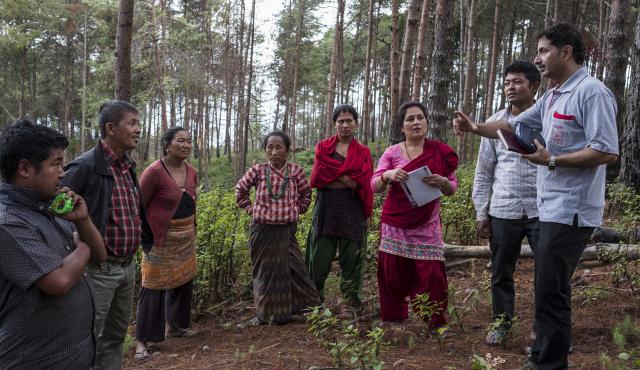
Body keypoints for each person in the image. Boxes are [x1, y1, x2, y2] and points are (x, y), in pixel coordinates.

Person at [453, 23, 619, 370]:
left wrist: (553, 160)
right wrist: (474, 128)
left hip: (572, 210)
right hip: (550, 207)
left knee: (551, 290)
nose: (537, 58)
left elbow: (606, 151)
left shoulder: (592, 92)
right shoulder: (554, 96)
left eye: (543, 50)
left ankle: (550, 363)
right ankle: (541, 355)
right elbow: (511, 127)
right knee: (547, 289)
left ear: (566, 51)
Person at [0, 120, 106, 369]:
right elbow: (58, 282)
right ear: (25, 168)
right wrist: (83, 246)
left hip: (72, 355)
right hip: (34, 360)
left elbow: (100, 255)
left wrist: (83, 221)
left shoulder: (48, 208)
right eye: (56, 164)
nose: (63, 172)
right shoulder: (7, 221)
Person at [62, 100, 153, 370]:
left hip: (126, 267)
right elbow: (56, 213)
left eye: (139, 123)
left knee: (114, 337)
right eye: (132, 123)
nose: (139, 129)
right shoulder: (84, 167)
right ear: (111, 128)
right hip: (97, 270)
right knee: (87, 336)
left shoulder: (127, 167)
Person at [372, 101, 458, 330]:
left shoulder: (439, 151)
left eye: (420, 117)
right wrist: (388, 174)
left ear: (427, 122)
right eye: (410, 119)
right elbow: (374, 185)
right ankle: (394, 316)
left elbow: (452, 188)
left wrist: (442, 182)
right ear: (402, 127)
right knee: (393, 273)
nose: (416, 122)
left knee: (431, 276)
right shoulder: (392, 152)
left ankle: (435, 321)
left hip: (427, 224)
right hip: (395, 222)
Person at [472, 61, 541, 346]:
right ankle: (501, 324)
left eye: (518, 82)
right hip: (503, 208)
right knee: (501, 271)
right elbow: (484, 170)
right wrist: (481, 211)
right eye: (507, 82)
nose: (511, 87)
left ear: (534, 86)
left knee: (548, 273)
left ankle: (546, 331)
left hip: (543, 209)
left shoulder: (547, 118)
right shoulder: (493, 124)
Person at [235, 131, 321, 325]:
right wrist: (251, 210)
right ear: (265, 150)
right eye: (270, 147)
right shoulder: (257, 170)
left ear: (287, 150)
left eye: (278, 147)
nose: (274, 152)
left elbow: (306, 195)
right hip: (262, 231)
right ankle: (268, 315)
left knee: (295, 268)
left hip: (286, 230)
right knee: (265, 272)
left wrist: (296, 210)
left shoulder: (295, 171)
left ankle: (301, 309)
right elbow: (240, 190)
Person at [134, 127, 198, 359]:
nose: (186, 145)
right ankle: (142, 339)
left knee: (184, 279)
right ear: (167, 145)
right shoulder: (154, 172)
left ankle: (176, 327)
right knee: (152, 286)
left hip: (186, 236)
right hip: (159, 239)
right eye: (180, 141)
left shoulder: (191, 171)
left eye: (189, 141)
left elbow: (193, 200)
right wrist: (144, 236)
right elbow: (139, 205)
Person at [306, 104, 373, 320]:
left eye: (349, 121)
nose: (344, 125)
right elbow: (317, 179)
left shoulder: (362, 152)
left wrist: (334, 177)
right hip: (326, 208)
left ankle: (349, 302)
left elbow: (362, 183)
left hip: (352, 209)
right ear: (334, 124)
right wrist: (346, 179)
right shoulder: (323, 148)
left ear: (356, 123)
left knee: (351, 257)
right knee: (319, 257)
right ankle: (314, 299)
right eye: (340, 121)